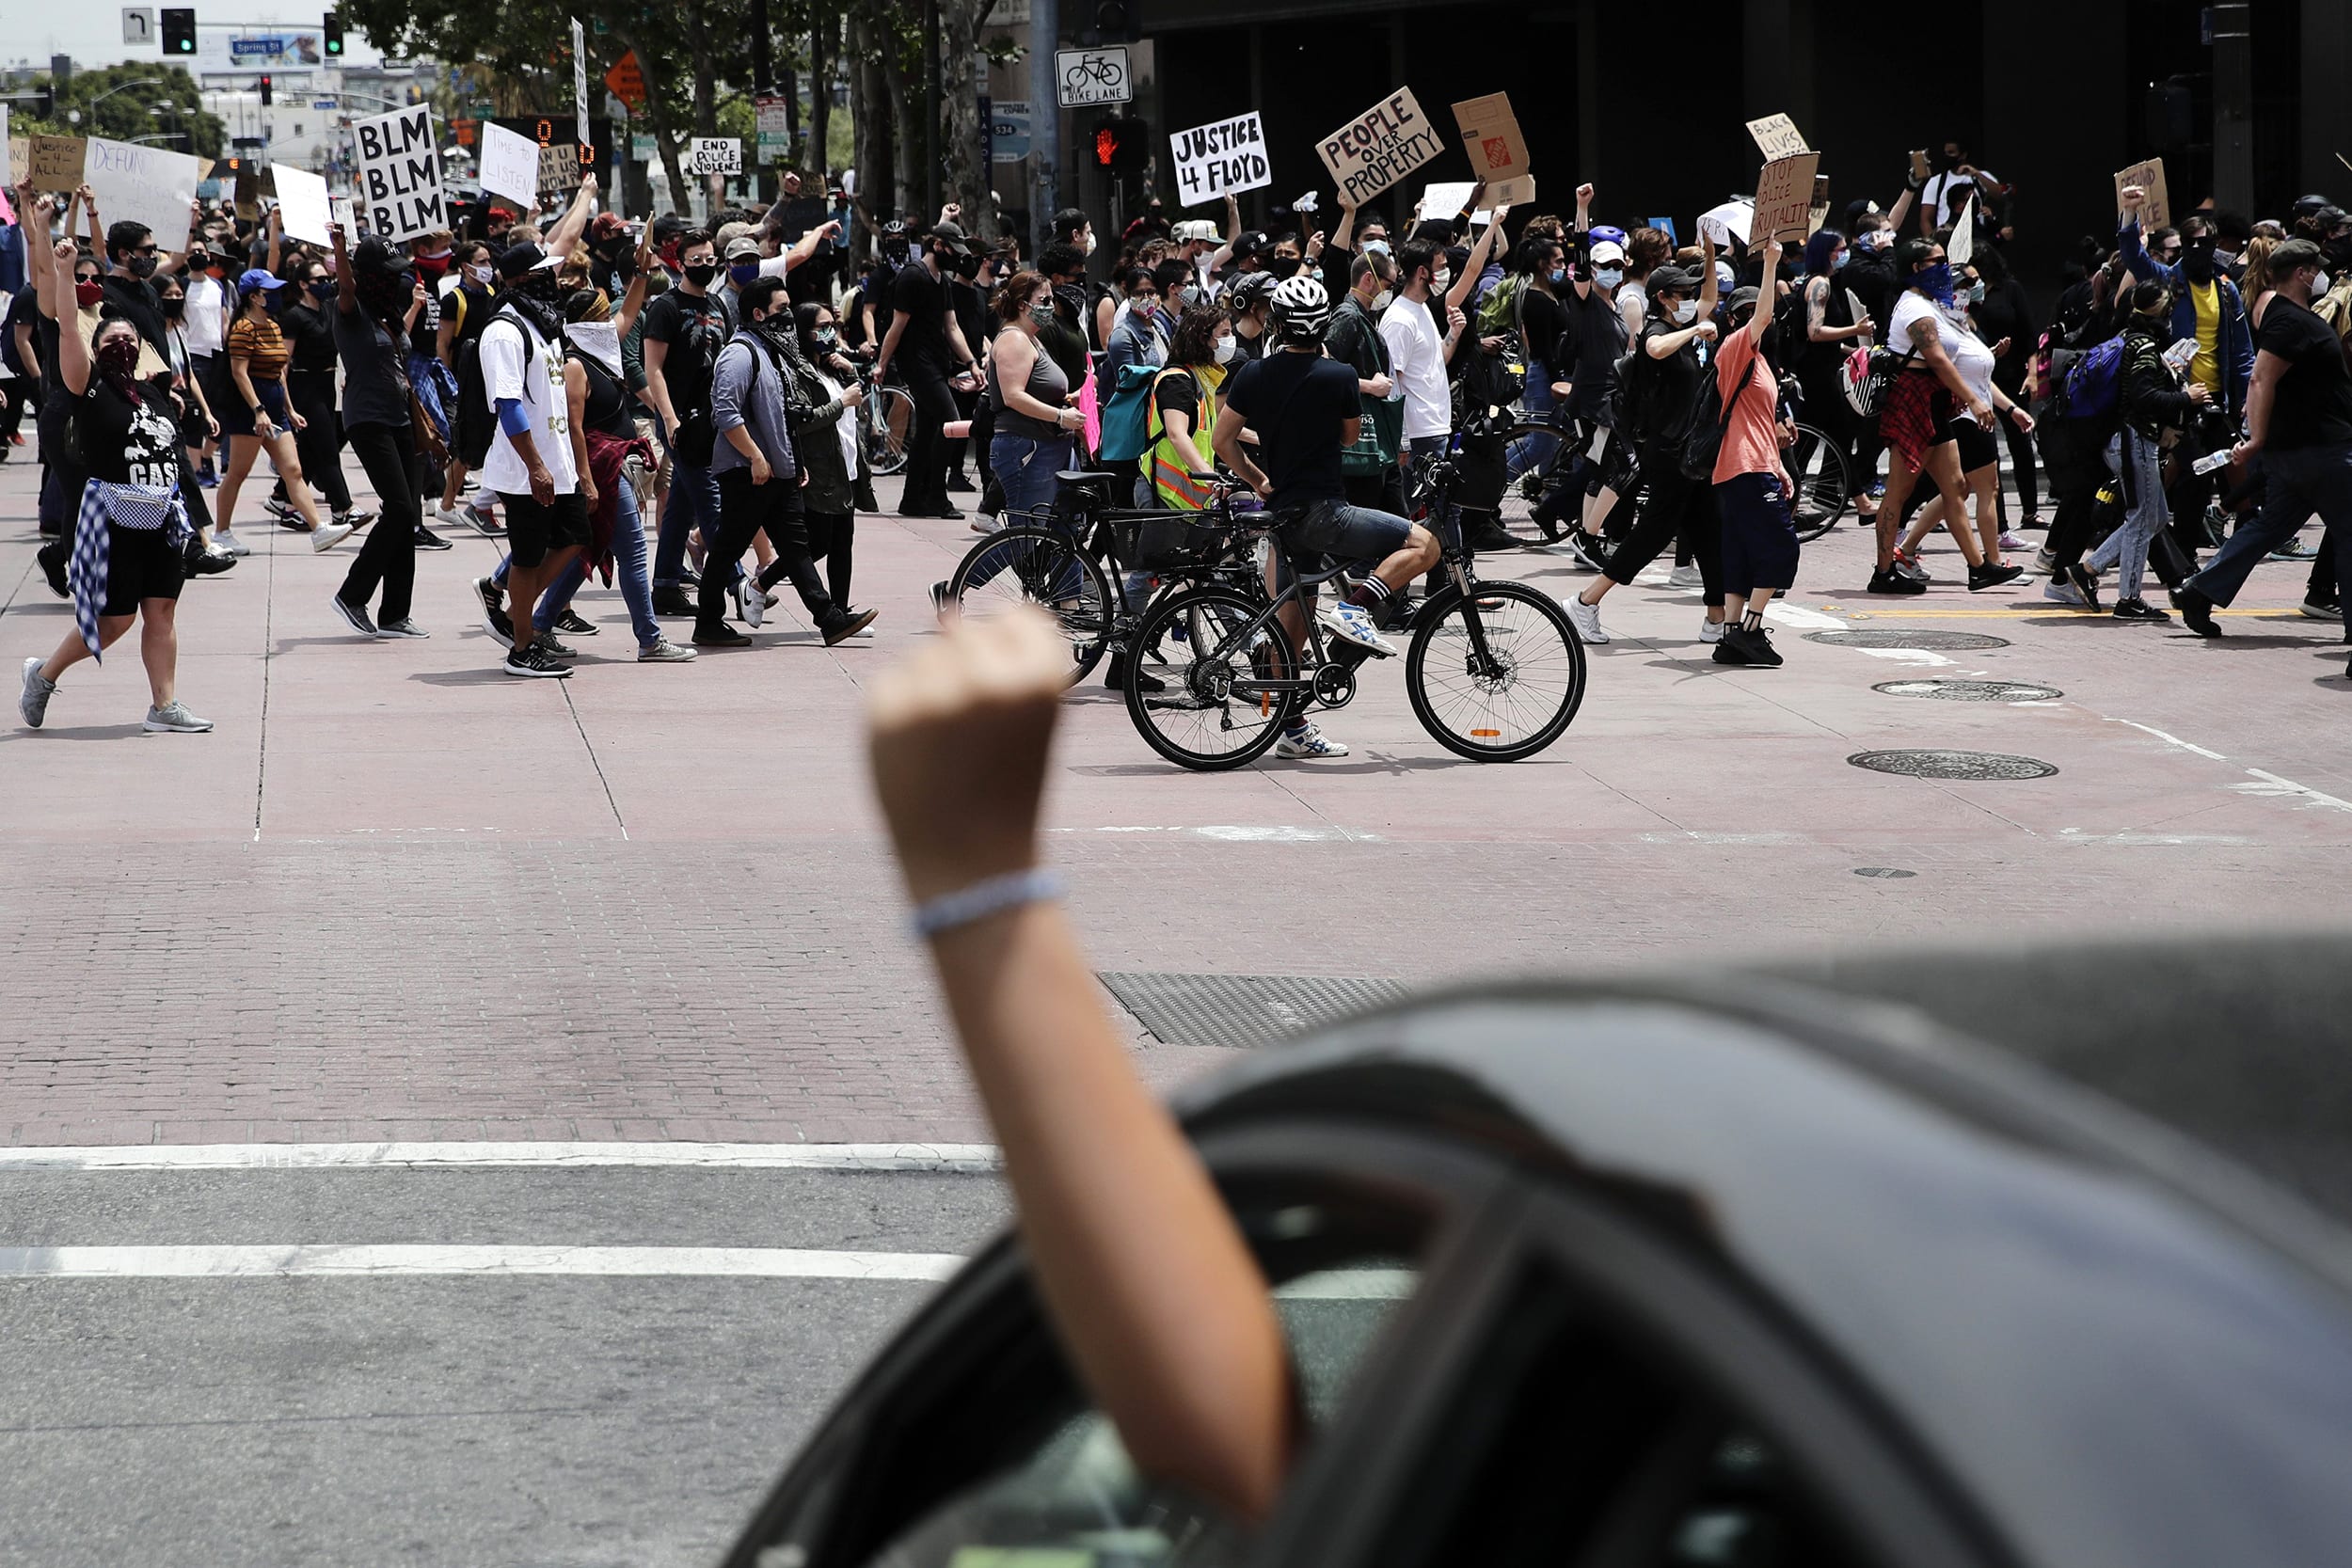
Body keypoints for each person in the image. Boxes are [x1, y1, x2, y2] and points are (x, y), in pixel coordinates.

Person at [1216, 275, 1441, 760]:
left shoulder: (1253, 374)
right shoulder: (1338, 375)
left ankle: (1292, 730)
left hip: (1281, 512)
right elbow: (1346, 438)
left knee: (1291, 634)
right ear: (1321, 327)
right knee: (1424, 544)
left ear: (1276, 321)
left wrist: (1258, 481)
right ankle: (1357, 606)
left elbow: (1221, 442)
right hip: (1324, 511)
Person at [18, 238, 212, 734]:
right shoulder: (90, 388)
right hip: (115, 523)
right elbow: (66, 331)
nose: (122, 345)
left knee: (162, 611)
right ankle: (43, 675)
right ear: (97, 351)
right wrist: (63, 274)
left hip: (161, 520)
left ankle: (164, 707)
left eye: (129, 340)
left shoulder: (154, 393)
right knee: (114, 622)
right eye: (111, 342)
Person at [2177, 239, 2352, 644]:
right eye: (2316, 269)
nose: (2322, 276)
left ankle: (2198, 591)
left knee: (2269, 527)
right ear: (2304, 274)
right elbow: (2260, 378)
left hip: (2298, 453)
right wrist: (2255, 440)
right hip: (2322, 451)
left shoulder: (2278, 313)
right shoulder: (2290, 320)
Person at [702, 274, 877, 648]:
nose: (788, 317)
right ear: (758, 314)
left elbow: (784, 416)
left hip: (778, 474)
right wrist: (755, 457)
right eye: (781, 309)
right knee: (728, 549)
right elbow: (726, 414)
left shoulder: (773, 353)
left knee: (798, 548)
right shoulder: (740, 353)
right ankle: (708, 621)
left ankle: (828, 617)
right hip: (747, 473)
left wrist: (792, 462)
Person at [1561, 262, 1725, 645]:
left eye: (1688, 294)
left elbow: (1710, 297)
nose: (1689, 301)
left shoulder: (1678, 325)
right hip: (1667, 453)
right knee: (1653, 534)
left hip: (1688, 452)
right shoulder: (1659, 329)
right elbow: (1652, 348)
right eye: (1681, 294)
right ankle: (1585, 602)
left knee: (1709, 531)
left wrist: (1710, 253)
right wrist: (1695, 330)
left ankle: (1717, 619)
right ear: (1662, 298)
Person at [1867, 239, 2020, 594]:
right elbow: (1936, 359)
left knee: (1956, 487)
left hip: (1935, 404)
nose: (1946, 267)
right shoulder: (1913, 309)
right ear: (1918, 268)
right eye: (1939, 261)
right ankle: (1884, 570)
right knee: (1899, 492)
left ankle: (1980, 569)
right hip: (1914, 402)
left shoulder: (1931, 306)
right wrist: (1974, 400)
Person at [479, 244, 589, 678]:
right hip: (526, 469)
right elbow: (508, 403)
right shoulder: (504, 331)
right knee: (526, 557)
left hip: (555, 463)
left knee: (575, 536)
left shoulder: (541, 326)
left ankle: (511, 614)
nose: (552, 280)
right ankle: (521, 650)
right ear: (523, 278)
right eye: (543, 273)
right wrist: (536, 465)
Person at [325, 229, 434, 641]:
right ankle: (353, 595)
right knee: (399, 509)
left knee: (408, 517)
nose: (395, 280)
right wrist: (339, 250)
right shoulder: (348, 310)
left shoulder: (388, 314)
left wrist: (412, 312)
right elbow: (347, 285)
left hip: (400, 418)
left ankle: (395, 614)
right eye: (387, 274)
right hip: (367, 419)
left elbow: (397, 347)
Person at [1705, 237, 1804, 668]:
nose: (1755, 319)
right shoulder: (1735, 348)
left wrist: (1779, 466)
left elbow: (1759, 421)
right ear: (1734, 320)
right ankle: (1750, 629)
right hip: (1744, 467)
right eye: (1743, 314)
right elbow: (1764, 313)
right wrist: (1770, 265)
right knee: (1782, 549)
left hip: (1754, 464)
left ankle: (1730, 636)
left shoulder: (1762, 360)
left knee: (1742, 551)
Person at [2079, 279, 2201, 624]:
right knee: (2140, 517)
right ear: (2159, 312)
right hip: (2136, 440)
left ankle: (2089, 569)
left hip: (2129, 440)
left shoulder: (2131, 340)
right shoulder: (2145, 347)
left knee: (2155, 518)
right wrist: (2186, 398)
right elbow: (2143, 397)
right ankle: (2128, 599)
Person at [213, 268, 351, 555]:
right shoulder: (243, 328)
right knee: (238, 473)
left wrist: (288, 408)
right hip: (250, 410)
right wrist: (258, 410)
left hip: (275, 408)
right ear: (253, 297)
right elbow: (240, 373)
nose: (276, 296)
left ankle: (318, 530)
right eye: (269, 292)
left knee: (293, 469)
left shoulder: (274, 326)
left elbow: (280, 372)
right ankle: (222, 533)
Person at [640, 227, 734, 613]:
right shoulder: (665, 307)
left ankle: (664, 586)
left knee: (680, 504)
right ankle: (739, 581)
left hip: (712, 419)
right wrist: (669, 419)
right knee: (710, 500)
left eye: (710, 259)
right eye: (696, 260)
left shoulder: (718, 305)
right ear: (680, 264)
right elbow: (653, 370)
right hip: (680, 421)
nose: (704, 266)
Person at [874, 220, 983, 520]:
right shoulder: (914, 276)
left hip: (936, 363)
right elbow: (898, 325)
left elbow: (952, 327)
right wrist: (882, 364)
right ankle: (937, 496)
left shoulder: (942, 281)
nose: (957, 258)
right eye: (953, 250)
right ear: (937, 246)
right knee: (952, 423)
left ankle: (912, 499)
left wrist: (972, 362)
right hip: (917, 364)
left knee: (926, 431)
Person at [775, 299, 869, 609]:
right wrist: (841, 402)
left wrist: (851, 371)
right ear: (804, 331)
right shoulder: (799, 371)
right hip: (821, 469)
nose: (830, 334)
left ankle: (842, 611)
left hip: (846, 466)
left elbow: (855, 411)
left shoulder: (831, 367)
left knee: (843, 544)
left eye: (834, 327)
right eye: (823, 328)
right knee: (817, 544)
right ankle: (760, 584)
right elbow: (804, 421)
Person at [271, 248, 364, 531]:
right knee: (327, 448)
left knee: (313, 448)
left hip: (329, 384)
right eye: (319, 279)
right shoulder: (295, 317)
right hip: (305, 386)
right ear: (302, 284)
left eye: (327, 278)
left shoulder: (328, 310)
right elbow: (283, 363)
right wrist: (287, 404)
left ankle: (284, 499)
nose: (325, 283)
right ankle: (344, 508)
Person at [1324, 250, 1403, 516]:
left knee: (1395, 516)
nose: (1390, 293)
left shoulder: (1364, 316)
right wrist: (1371, 386)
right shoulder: (1347, 317)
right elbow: (1326, 373)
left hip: (1374, 435)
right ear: (1369, 279)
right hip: (1358, 437)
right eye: (1389, 285)